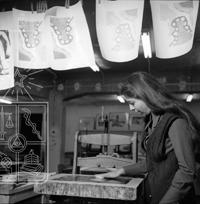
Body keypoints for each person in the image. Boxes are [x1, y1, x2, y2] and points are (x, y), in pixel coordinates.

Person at [95, 72, 200, 204]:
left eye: (132, 103)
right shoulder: (151, 122)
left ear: (146, 96)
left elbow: (187, 172)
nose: (130, 108)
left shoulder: (176, 123)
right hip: (153, 194)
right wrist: (121, 171)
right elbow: (152, 163)